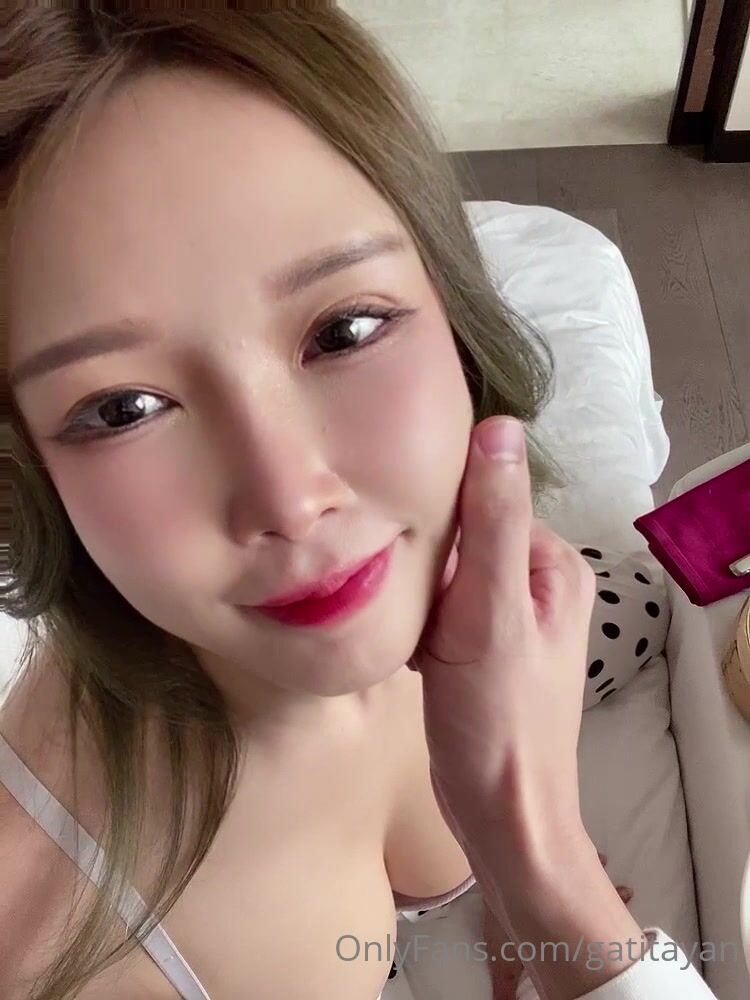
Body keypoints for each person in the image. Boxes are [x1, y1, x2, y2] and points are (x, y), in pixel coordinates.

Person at [0, 7, 719, 1000]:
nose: (293, 499)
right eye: (125, 408)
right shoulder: (57, 946)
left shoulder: (477, 597)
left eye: (344, 330)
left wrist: (536, 881)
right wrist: (551, 874)